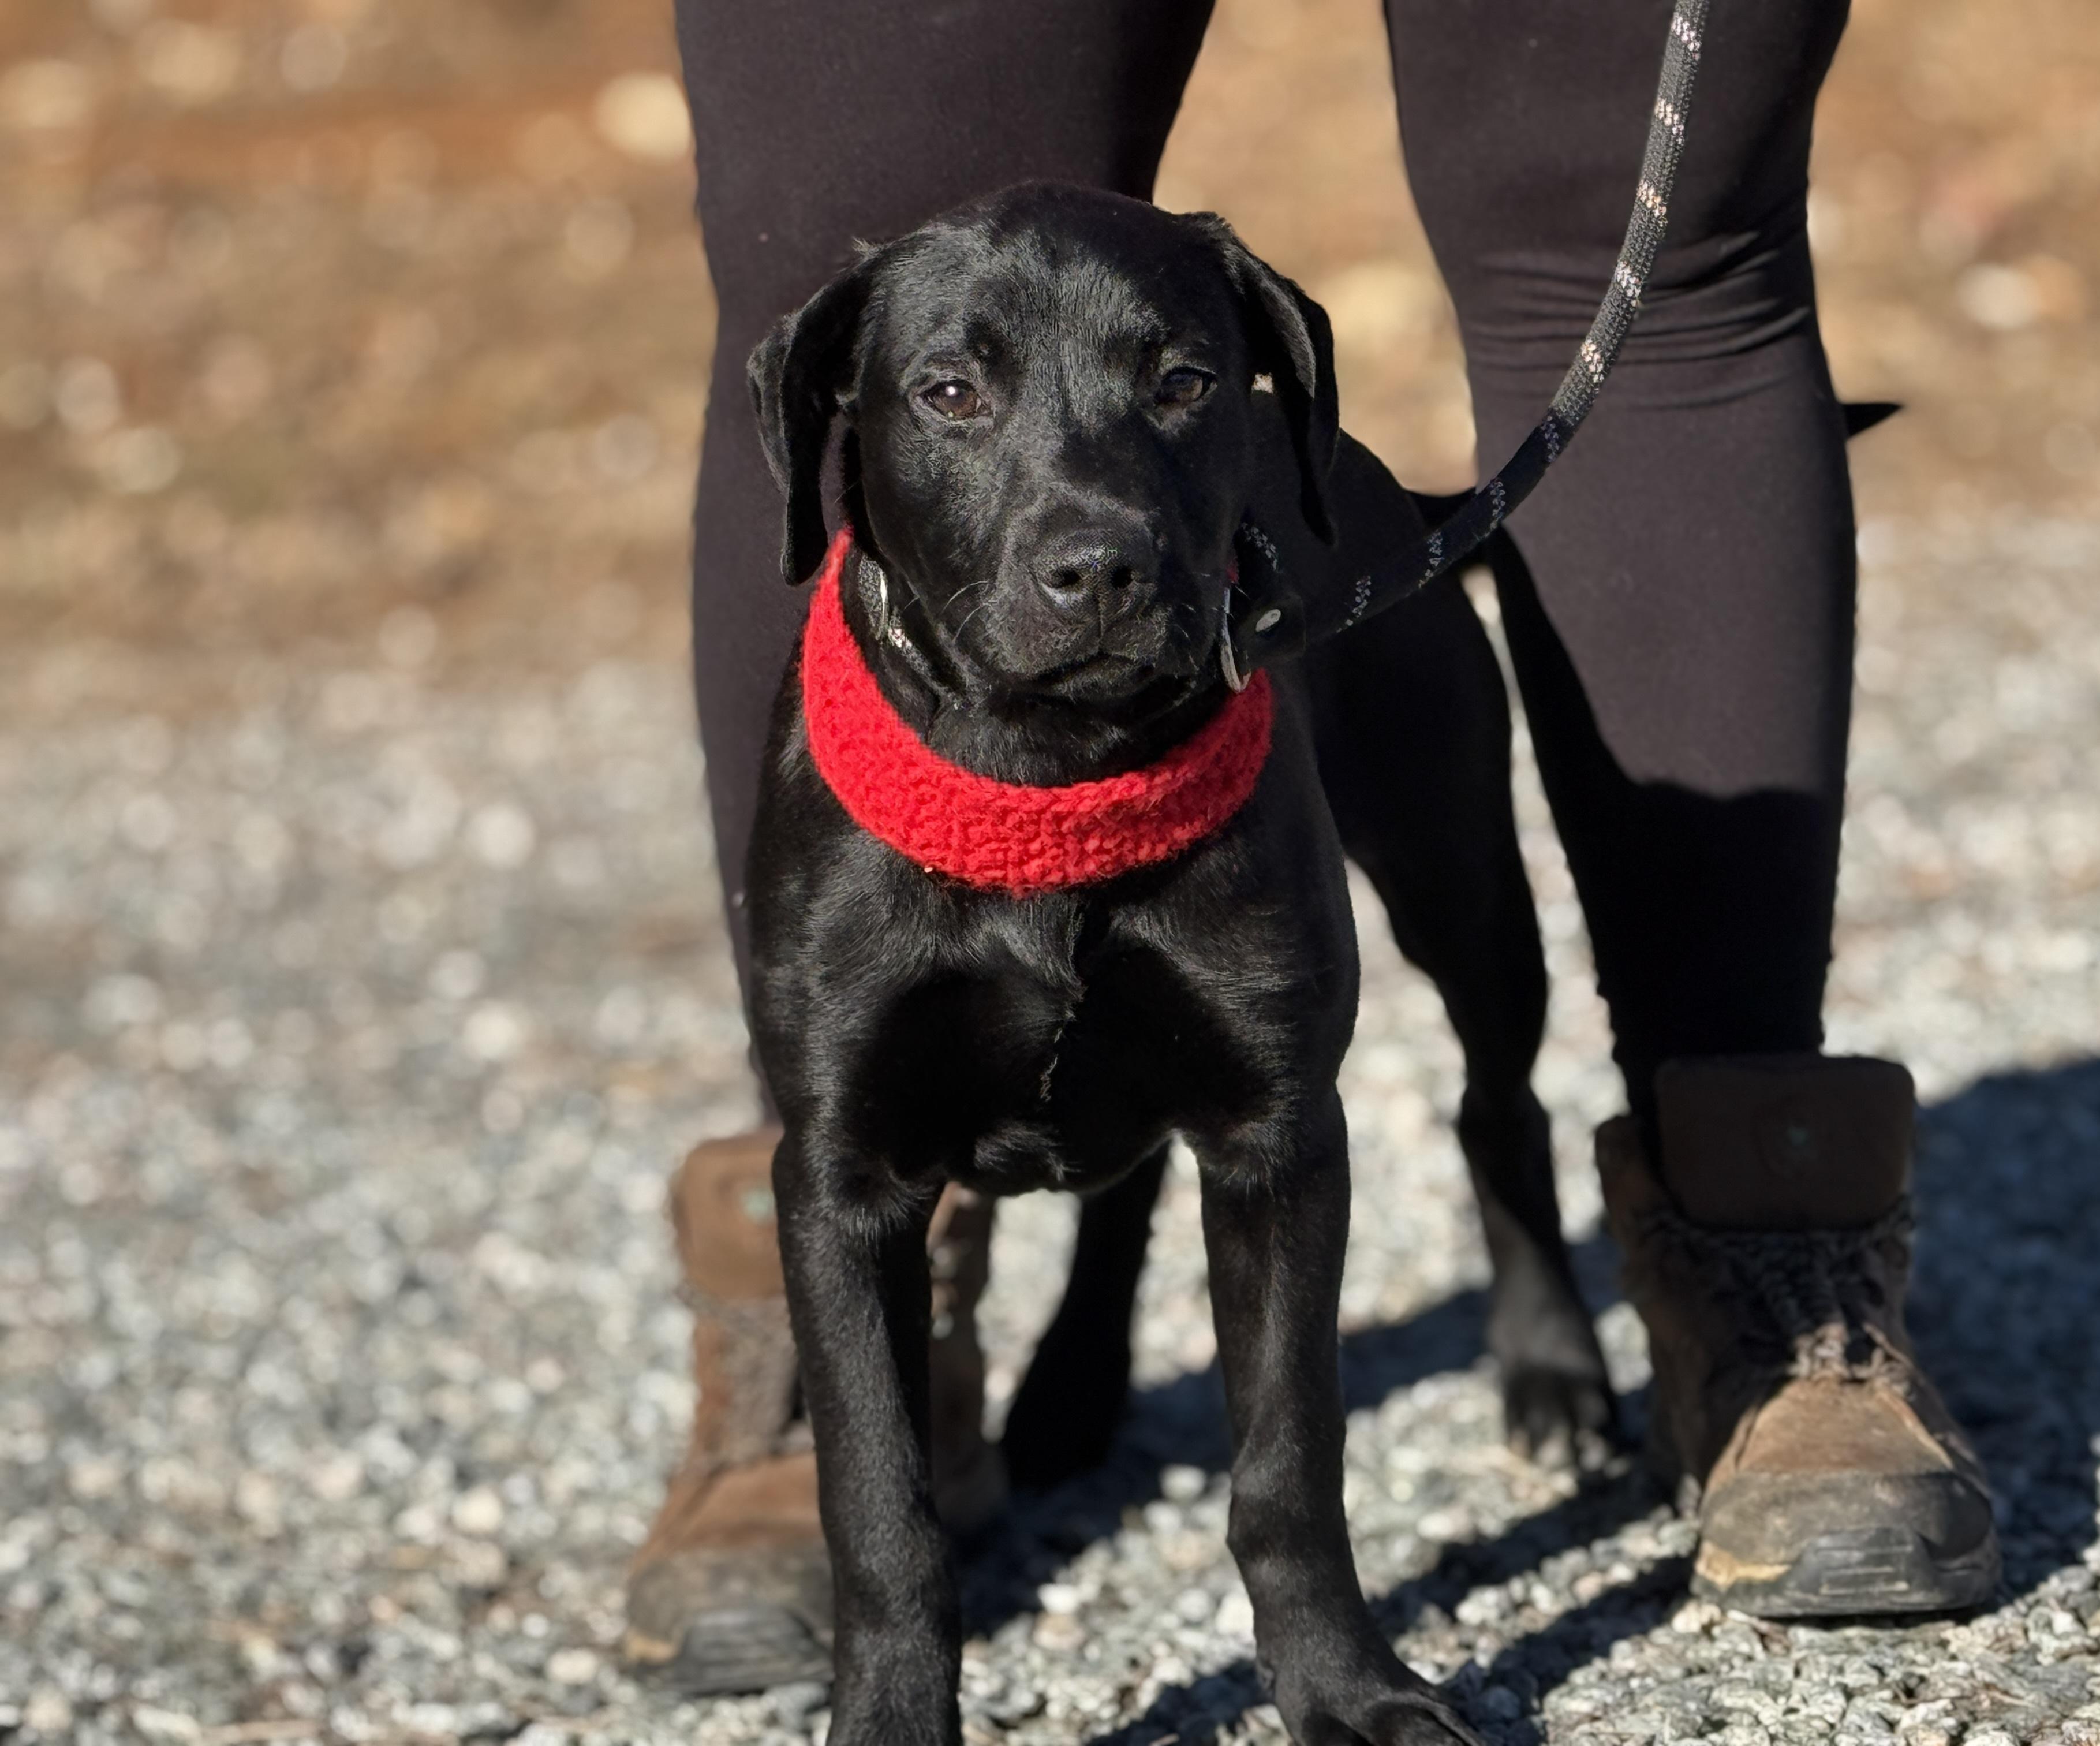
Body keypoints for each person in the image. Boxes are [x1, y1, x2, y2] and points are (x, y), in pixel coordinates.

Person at [618, 0, 1999, 1696]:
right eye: (959, 395)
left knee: (1632, 227)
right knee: (855, 187)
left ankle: (1748, 1237)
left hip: (1246, 758)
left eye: (1182, 385)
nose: (1089, 530)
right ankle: (859, 1376)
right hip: (908, 817)